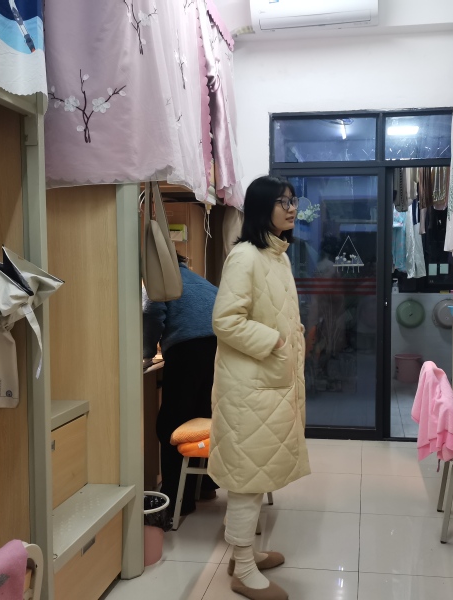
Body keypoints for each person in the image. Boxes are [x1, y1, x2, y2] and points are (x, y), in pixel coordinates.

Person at [209, 176, 310, 600]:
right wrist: (277, 342)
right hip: (249, 389)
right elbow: (225, 320)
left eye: (293, 200)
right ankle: (242, 569)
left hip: (267, 383)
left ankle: (246, 555)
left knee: (256, 473)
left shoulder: (276, 255)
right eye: (282, 202)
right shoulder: (245, 256)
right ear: (261, 207)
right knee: (247, 480)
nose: (292, 208)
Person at [142, 254, 219, 521]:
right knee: (202, 420)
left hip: (186, 353)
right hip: (218, 353)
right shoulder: (203, 283)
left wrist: (146, 351)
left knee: (172, 425)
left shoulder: (162, 281)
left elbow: (151, 314)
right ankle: (205, 486)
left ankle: (177, 500)